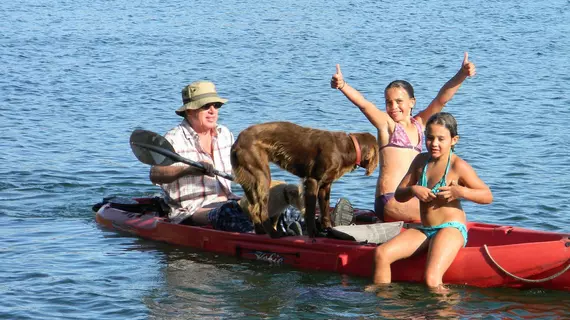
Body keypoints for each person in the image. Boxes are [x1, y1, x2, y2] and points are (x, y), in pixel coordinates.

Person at [331, 53, 476, 222]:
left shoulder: (420, 124)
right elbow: (364, 104)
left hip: (412, 198)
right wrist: (342, 85)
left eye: (399, 101)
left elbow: (441, 99)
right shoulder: (388, 126)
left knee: (450, 211)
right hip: (390, 199)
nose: (393, 107)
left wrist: (462, 74)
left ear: (412, 102)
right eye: (388, 102)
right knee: (449, 215)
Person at [372, 112, 493, 289]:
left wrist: (459, 191)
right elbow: (399, 194)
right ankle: (384, 306)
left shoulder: (457, 166)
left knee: (431, 279)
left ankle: (447, 314)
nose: (434, 144)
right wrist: (414, 189)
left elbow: (487, 196)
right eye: (430, 138)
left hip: (450, 228)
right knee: (381, 254)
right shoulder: (420, 161)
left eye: (441, 139)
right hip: (426, 229)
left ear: (454, 140)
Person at [149, 80, 253, 233]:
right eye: (206, 106)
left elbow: (241, 170)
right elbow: (155, 174)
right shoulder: (172, 139)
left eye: (216, 106)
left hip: (229, 201)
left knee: (275, 203)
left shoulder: (225, 134)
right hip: (193, 210)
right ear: (190, 111)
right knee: (229, 211)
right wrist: (188, 170)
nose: (213, 111)